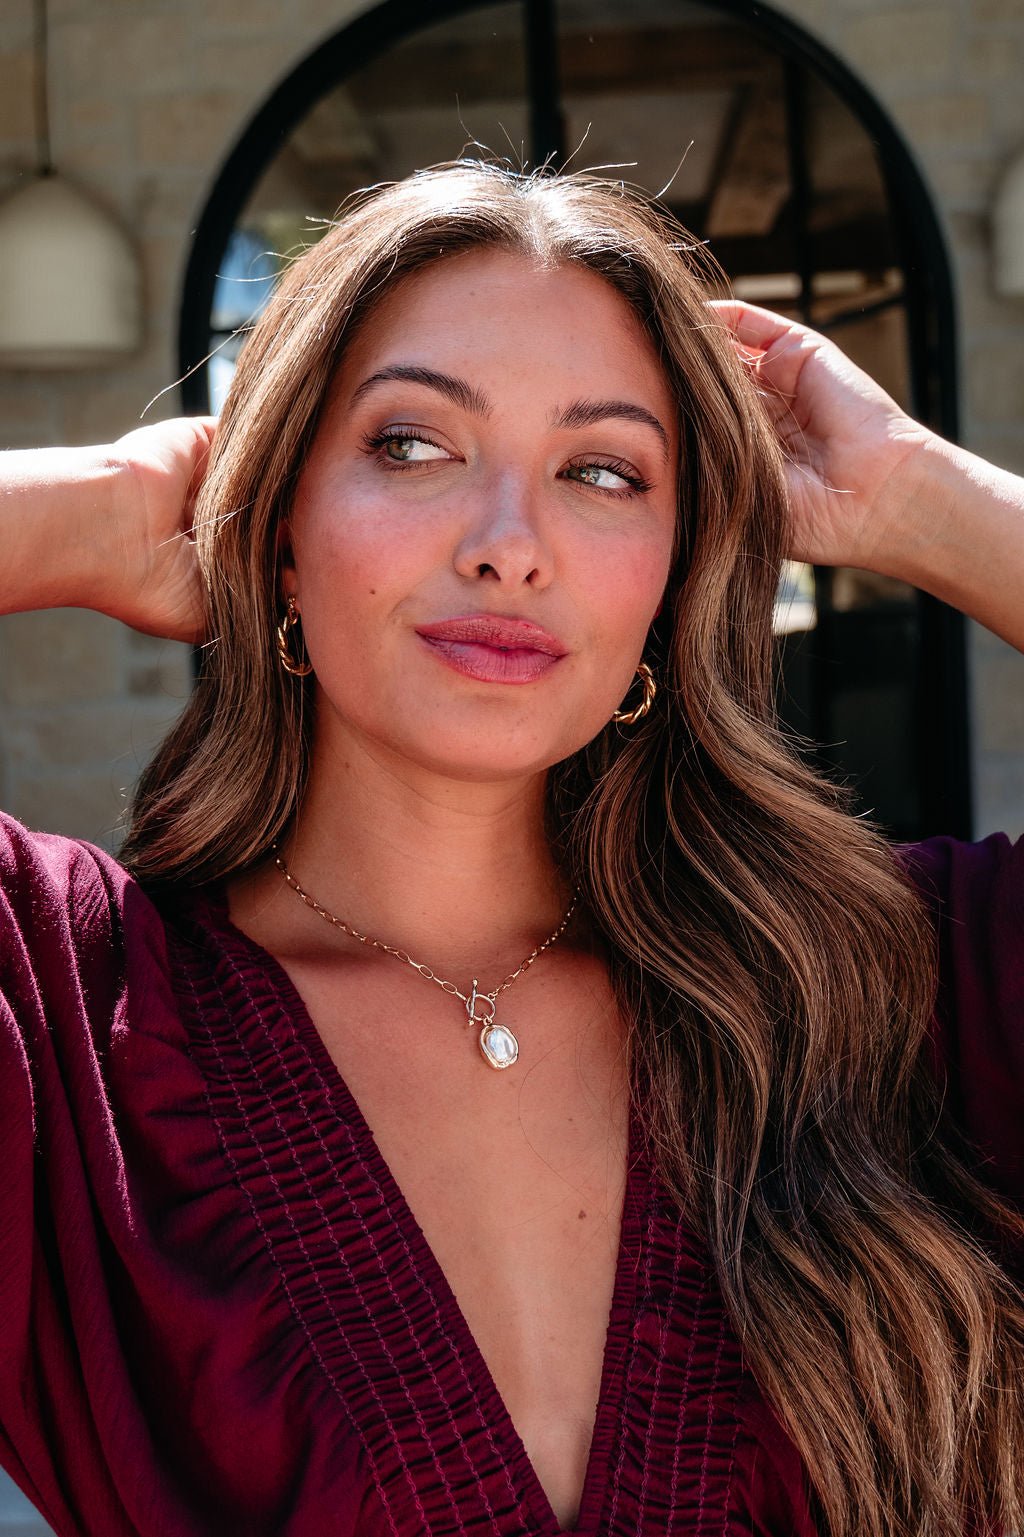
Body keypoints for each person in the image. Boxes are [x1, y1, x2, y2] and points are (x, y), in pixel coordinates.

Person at [0, 161, 1022, 1537]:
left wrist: (918, 498)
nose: (509, 547)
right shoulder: (72, 1017)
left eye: (602, 471)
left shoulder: (894, 991)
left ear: (676, 574)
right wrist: (101, 508)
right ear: (280, 521)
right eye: (412, 446)